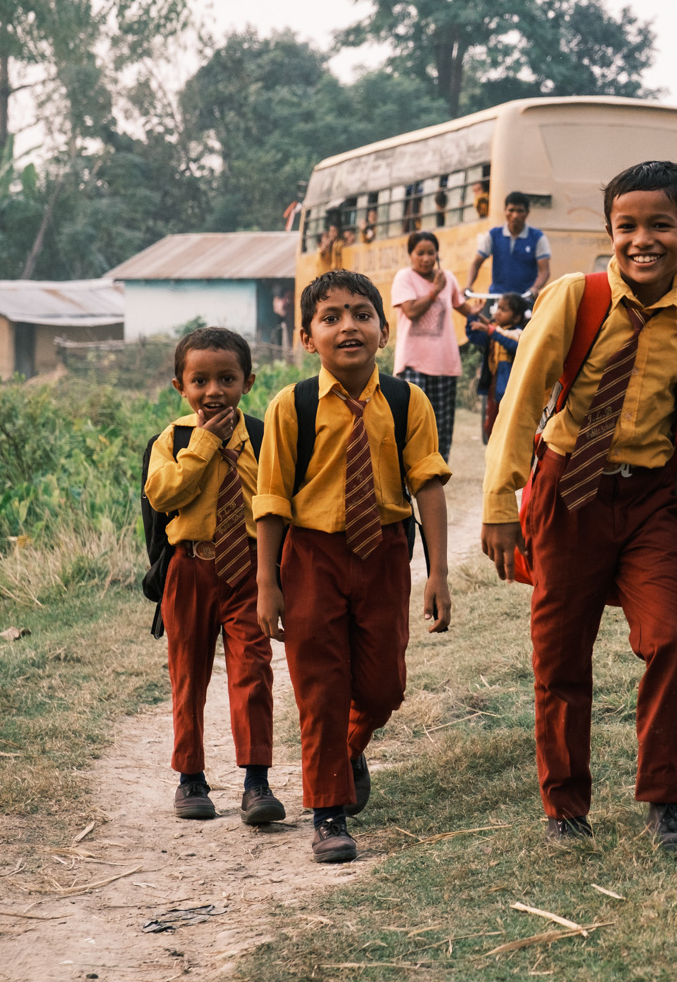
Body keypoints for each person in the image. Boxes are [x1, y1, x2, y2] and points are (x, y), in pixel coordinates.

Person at [480, 161, 677, 852]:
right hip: (571, 493)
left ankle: (665, 801)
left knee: (672, 640)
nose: (642, 240)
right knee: (561, 655)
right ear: (609, 231)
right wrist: (500, 501)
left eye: (661, 225)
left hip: (650, 499)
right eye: (627, 226)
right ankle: (565, 807)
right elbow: (522, 400)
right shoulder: (575, 297)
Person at [253, 270, 453, 864]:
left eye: (362, 314)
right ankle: (328, 813)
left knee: (384, 686)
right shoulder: (292, 406)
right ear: (307, 338)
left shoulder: (405, 399)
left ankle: (348, 748)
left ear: (383, 330)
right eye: (331, 316)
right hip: (312, 555)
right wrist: (268, 582)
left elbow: (429, 486)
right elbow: (270, 501)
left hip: (385, 553)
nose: (348, 326)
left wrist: (437, 571)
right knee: (321, 687)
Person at [144, 326, 284, 828]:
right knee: (188, 675)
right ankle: (191, 777)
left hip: (250, 570)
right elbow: (162, 495)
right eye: (199, 380)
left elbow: (276, 498)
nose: (213, 391)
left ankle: (256, 780)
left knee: (254, 673)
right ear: (179, 385)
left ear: (248, 380)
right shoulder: (173, 439)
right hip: (190, 569)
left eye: (226, 378)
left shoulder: (265, 437)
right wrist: (204, 444)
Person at [392, 231, 476, 464]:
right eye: (420, 253)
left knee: (441, 425)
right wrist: (434, 291)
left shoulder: (447, 278)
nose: (426, 258)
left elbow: (462, 306)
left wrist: (480, 318)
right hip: (413, 363)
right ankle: (406, 469)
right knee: (411, 422)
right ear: (411, 255)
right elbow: (412, 311)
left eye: (431, 253)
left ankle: (436, 472)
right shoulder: (404, 278)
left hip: (444, 363)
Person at [466, 292, 527, 443]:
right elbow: (474, 336)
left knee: (508, 429)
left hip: (511, 390)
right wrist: (472, 317)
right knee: (491, 426)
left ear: (516, 317)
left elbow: (514, 344)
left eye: (503, 309)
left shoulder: (519, 334)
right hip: (495, 388)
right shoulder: (493, 331)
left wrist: (491, 331)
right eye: (497, 308)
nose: (498, 312)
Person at [468, 191, 552, 301]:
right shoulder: (493, 235)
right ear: (505, 211)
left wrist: (535, 288)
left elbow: (545, 270)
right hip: (497, 298)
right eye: (511, 210)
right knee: (477, 318)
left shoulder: (537, 237)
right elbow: (476, 263)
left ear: (527, 213)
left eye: (520, 211)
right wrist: (468, 286)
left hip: (524, 300)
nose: (515, 215)